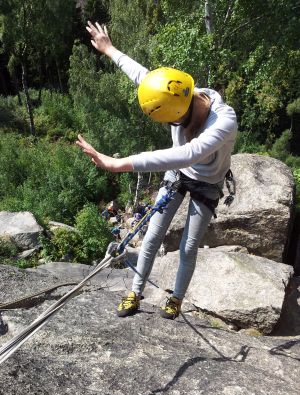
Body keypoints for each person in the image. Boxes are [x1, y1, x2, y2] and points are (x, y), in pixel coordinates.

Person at [76, 21, 238, 320]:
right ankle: (135, 293)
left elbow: (189, 153)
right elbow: (144, 77)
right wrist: (110, 49)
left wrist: (117, 164)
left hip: (206, 183)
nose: (171, 127)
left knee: (189, 247)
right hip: (179, 177)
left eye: (172, 122)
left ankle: (176, 299)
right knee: (151, 237)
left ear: (184, 111)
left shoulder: (224, 120)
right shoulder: (175, 93)